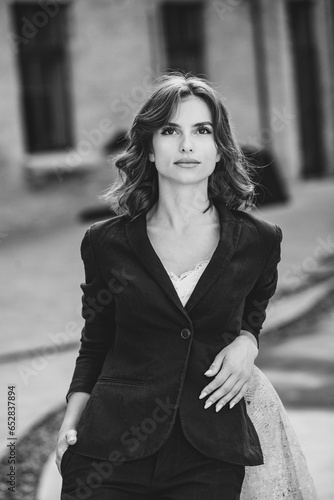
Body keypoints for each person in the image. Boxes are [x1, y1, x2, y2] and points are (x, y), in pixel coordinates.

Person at [56, 73, 317, 499]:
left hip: (210, 452)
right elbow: (96, 341)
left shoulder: (259, 240)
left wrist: (249, 341)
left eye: (202, 130)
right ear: (149, 148)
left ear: (219, 149)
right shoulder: (105, 243)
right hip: (107, 453)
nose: (186, 145)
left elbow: (253, 313)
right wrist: (71, 423)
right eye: (170, 131)